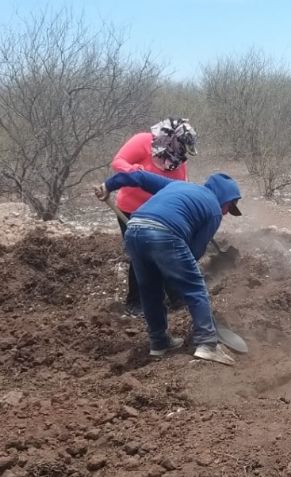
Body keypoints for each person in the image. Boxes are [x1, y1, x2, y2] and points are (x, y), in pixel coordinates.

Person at [94, 170, 242, 365]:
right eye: (228, 207)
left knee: (149, 290)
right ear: (225, 198)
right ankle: (207, 343)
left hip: (134, 230)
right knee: (196, 287)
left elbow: (139, 176)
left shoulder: (176, 185)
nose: (225, 213)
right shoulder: (214, 209)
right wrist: (177, 273)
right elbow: (194, 251)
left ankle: (159, 342)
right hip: (164, 234)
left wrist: (109, 185)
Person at [112, 118, 198, 316]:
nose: (183, 152)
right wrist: (134, 172)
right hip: (130, 209)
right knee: (140, 254)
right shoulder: (142, 141)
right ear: (171, 140)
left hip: (158, 214)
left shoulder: (178, 162)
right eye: (181, 146)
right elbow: (118, 162)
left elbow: (179, 188)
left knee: (167, 250)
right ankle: (135, 302)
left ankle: (176, 297)